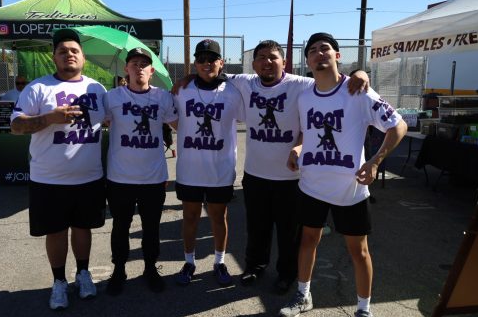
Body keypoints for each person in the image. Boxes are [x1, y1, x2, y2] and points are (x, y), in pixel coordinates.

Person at [172, 40, 369, 293]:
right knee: (257, 228)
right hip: (255, 173)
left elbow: (333, 80)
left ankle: (287, 274)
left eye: (273, 57)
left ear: (283, 61)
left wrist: (359, 74)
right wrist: (187, 76)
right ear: (253, 64)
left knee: (289, 233)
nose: (267, 62)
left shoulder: (302, 85)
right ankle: (254, 267)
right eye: (261, 57)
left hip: (291, 176)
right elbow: (211, 71)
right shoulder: (243, 82)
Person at [279, 32, 407, 317]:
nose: (319, 54)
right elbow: (308, 132)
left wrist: (376, 161)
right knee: (308, 240)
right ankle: (303, 294)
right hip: (311, 185)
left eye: (326, 49)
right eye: (313, 51)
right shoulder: (305, 95)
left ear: (337, 56)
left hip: (349, 189)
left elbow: (398, 125)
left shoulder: (357, 90)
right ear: (306, 61)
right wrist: (298, 148)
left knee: (358, 251)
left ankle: (363, 312)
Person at [11, 28, 107, 310]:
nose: (69, 55)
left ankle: (83, 273)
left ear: (83, 57)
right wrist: (49, 118)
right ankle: (58, 282)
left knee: (83, 228)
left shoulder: (96, 89)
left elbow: (114, 117)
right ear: (54, 57)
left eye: (74, 50)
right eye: (63, 51)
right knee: (55, 231)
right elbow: (16, 126)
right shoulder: (38, 88)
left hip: (89, 177)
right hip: (49, 179)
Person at [103, 48, 178, 296]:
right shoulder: (112, 97)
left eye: (144, 64)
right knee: (120, 227)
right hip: (120, 178)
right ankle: (119, 270)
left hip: (153, 178)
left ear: (152, 71)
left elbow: (178, 124)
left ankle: (150, 268)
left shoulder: (163, 97)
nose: (139, 68)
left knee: (152, 228)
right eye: (134, 63)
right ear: (126, 69)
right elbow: (94, 121)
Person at [173, 39, 244, 287]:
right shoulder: (182, 90)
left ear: (221, 62)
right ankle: (189, 261)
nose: (206, 63)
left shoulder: (233, 91)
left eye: (211, 59)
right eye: (201, 60)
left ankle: (219, 261)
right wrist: (185, 78)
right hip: (189, 169)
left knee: (218, 217)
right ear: (194, 63)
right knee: (190, 216)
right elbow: (170, 117)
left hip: (220, 170)